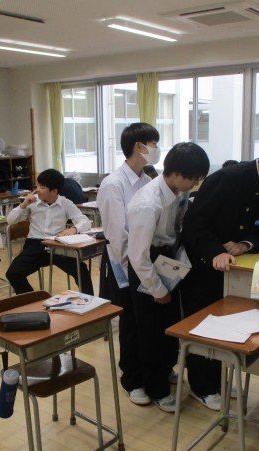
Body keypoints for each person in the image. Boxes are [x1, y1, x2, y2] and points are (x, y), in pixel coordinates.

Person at [181, 143, 259, 410]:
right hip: (202, 265)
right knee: (203, 325)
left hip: (233, 270)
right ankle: (201, 387)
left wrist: (245, 244)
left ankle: (217, 381)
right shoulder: (227, 179)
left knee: (225, 325)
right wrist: (215, 251)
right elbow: (194, 223)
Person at [126, 142, 210, 412]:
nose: (196, 183)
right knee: (150, 331)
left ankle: (164, 370)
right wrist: (156, 289)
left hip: (168, 260)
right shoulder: (147, 203)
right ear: (175, 173)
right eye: (193, 178)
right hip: (147, 266)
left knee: (169, 325)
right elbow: (137, 255)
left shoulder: (179, 191)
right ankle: (156, 389)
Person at [97, 122, 159, 406]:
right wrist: (133, 271)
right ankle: (131, 379)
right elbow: (118, 234)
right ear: (139, 146)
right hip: (124, 263)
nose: (156, 149)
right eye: (153, 144)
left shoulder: (146, 181)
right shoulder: (114, 184)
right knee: (131, 322)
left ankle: (150, 368)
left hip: (143, 261)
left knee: (147, 320)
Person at [6, 168, 94, 294]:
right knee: (13, 273)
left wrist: (74, 229)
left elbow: (85, 221)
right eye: (37, 185)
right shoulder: (32, 202)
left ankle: (89, 301)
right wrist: (23, 205)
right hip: (35, 245)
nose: (38, 190)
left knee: (82, 271)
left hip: (57, 246)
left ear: (54, 191)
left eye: (42, 187)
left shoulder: (65, 203)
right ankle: (34, 301)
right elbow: (10, 220)